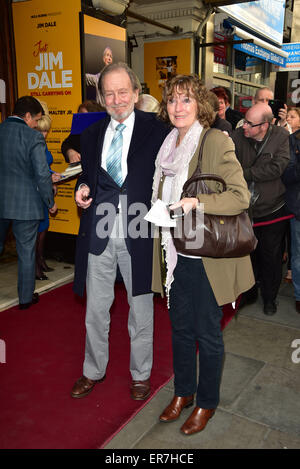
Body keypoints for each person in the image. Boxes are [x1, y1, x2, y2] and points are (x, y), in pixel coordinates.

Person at [151, 74, 254, 435]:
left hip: (207, 258)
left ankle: (207, 402)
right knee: (179, 330)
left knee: (208, 334)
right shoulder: (167, 145)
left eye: (186, 100)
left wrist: (199, 202)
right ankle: (183, 393)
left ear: (200, 105)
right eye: (173, 100)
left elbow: (240, 196)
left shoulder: (213, 140)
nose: (178, 108)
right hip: (175, 254)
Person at [71, 63, 169, 400]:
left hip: (139, 231)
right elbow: (89, 176)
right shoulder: (91, 134)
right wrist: (82, 188)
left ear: (137, 93)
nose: (116, 99)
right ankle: (92, 370)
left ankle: (140, 375)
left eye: (122, 91)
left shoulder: (157, 130)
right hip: (98, 232)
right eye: (109, 93)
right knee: (95, 310)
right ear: (101, 97)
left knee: (140, 309)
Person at [232, 103, 290, 315]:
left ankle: (269, 298)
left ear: (264, 126)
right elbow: (229, 164)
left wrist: (245, 173)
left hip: (273, 208)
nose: (244, 126)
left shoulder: (281, 136)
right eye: (245, 120)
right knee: (248, 255)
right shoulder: (238, 136)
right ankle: (249, 293)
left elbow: (277, 168)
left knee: (271, 257)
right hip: (245, 209)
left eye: (250, 123)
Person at [0, 96, 57, 309]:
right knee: (26, 252)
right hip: (25, 205)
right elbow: (42, 175)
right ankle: (25, 299)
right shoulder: (33, 137)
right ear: (26, 116)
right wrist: (49, 201)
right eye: (36, 120)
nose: (36, 124)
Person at [35, 107, 61, 280]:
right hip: (36, 192)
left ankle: (41, 261)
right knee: (38, 230)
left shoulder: (41, 142)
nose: (44, 134)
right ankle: (36, 266)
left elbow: (44, 166)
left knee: (44, 229)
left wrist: (52, 174)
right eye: (41, 130)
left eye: (46, 131)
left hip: (44, 188)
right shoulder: (34, 144)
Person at [282, 107, 300, 314]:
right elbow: (287, 175)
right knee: (298, 253)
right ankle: (299, 294)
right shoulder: (293, 140)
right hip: (297, 206)